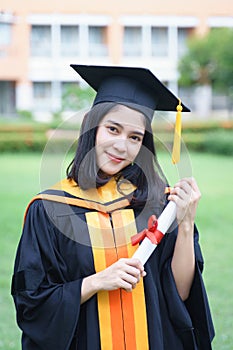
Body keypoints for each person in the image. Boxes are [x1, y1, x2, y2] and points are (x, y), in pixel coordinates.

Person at [11, 65, 215, 350]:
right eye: (112, 129)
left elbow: (180, 294)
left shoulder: (158, 203)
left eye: (135, 137)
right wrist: (96, 281)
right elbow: (32, 302)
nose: (122, 146)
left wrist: (184, 224)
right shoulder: (50, 209)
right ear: (90, 126)